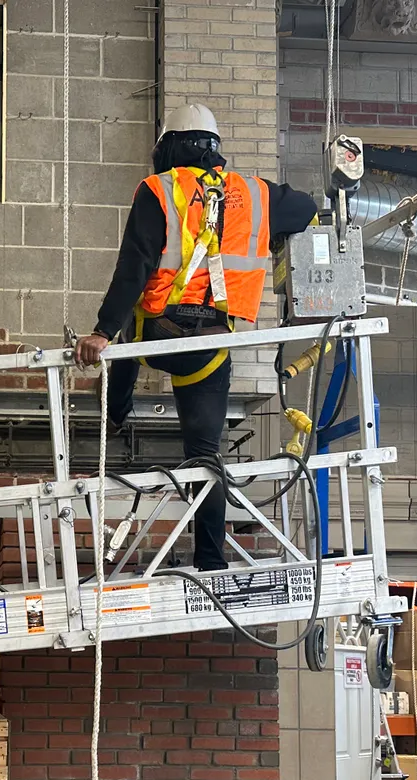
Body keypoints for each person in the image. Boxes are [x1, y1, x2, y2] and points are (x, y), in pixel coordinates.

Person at [74, 104, 318, 573]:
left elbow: (135, 266)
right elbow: (306, 209)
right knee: (205, 457)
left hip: (156, 332)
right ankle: (210, 560)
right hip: (208, 344)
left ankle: (116, 411)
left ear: (166, 148)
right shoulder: (254, 193)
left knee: (127, 334)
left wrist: (102, 331)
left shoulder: (158, 190)